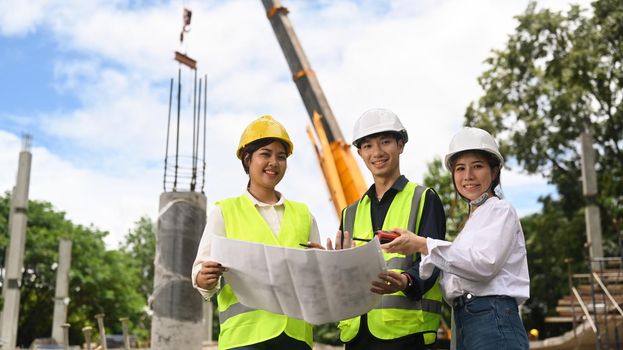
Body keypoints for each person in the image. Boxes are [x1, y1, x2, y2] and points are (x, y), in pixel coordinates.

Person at [382, 127, 530, 350]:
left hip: (492, 316)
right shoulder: (472, 223)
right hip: (465, 319)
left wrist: (423, 244)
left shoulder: (500, 210)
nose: (468, 176)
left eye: (477, 166)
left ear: (495, 170)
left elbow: (484, 264)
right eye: (460, 168)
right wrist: (411, 270)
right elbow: (456, 270)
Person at [191, 115, 320, 350]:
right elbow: (200, 272)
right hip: (244, 339)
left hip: (296, 338)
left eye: (281, 157)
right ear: (248, 160)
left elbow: (316, 282)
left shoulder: (304, 215)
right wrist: (205, 277)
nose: (274, 162)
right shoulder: (225, 211)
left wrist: (324, 263)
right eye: (266, 154)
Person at [334, 108, 447, 350]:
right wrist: (324, 261)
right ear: (360, 153)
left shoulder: (423, 198)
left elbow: (435, 258)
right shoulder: (350, 213)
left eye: (385, 142)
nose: (377, 152)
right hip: (357, 336)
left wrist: (406, 281)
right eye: (368, 146)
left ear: (400, 145)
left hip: (407, 335)